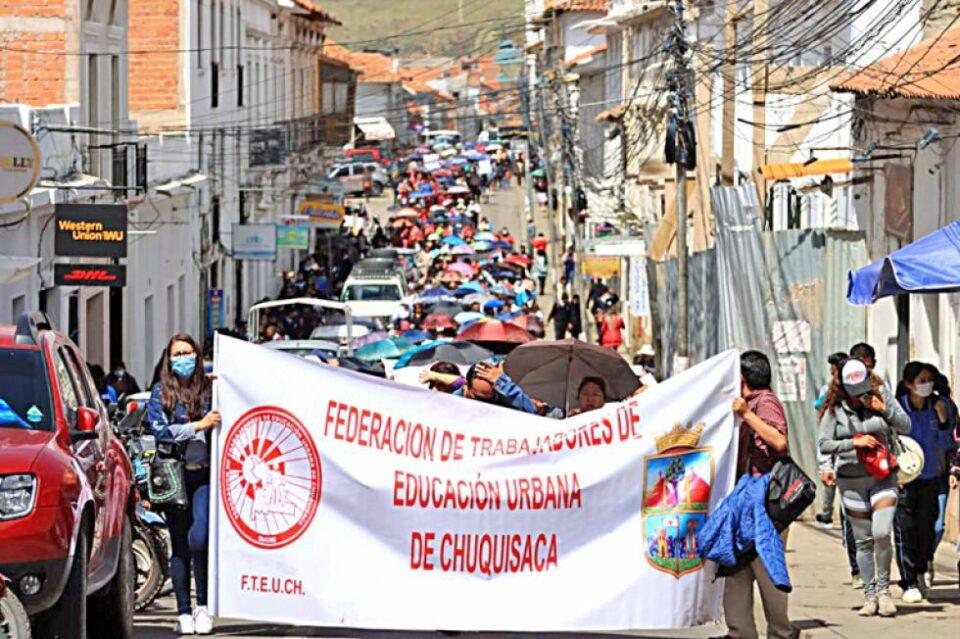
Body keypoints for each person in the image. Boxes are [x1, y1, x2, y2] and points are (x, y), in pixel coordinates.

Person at [819, 358, 911, 618]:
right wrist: (853, 443)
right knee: (863, 541)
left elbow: (906, 425)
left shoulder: (881, 395)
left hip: (883, 475)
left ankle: (884, 592)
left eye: (863, 391)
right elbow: (824, 443)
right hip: (850, 479)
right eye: (854, 393)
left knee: (882, 532)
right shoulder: (834, 408)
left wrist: (884, 409)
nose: (860, 397)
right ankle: (870, 596)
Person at [146, 334, 221, 635]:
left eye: (188, 352)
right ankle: (184, 611)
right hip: (175, 478)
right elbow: (161, 432)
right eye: (178, 353)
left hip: (203, 476)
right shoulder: (160, 393)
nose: (183, 358)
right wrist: (197, 427)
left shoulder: (210, 389)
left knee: (199, 538)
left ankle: (203, 605)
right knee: (179, 545)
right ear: (169, 358)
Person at [724, 350, 793, 639]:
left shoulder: (764, 403)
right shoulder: (745, 403)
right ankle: (741, 632)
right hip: (742, 502)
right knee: (736, 571)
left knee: (766, 569)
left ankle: (780, 632)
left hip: (765, 503)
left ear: (742, 377)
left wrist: (746, 416)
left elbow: (779, 441)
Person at [893, 361, 955, 603]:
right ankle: (908, 580)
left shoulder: (938, 407)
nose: (927, 385)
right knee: (905, 530)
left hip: (931, 477)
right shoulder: (899, 410)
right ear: (909, 384)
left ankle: (921, 568)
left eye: (929, 380)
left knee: (927, 528)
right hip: (905, 480)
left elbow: (948, 443)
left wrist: (942, 421)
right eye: (921, 380)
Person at [815, 351, 850, 529]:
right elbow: (820, 409)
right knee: (830, 482)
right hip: (835, 446)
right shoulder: (827, 391)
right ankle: (827, 514)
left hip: (851, 454)